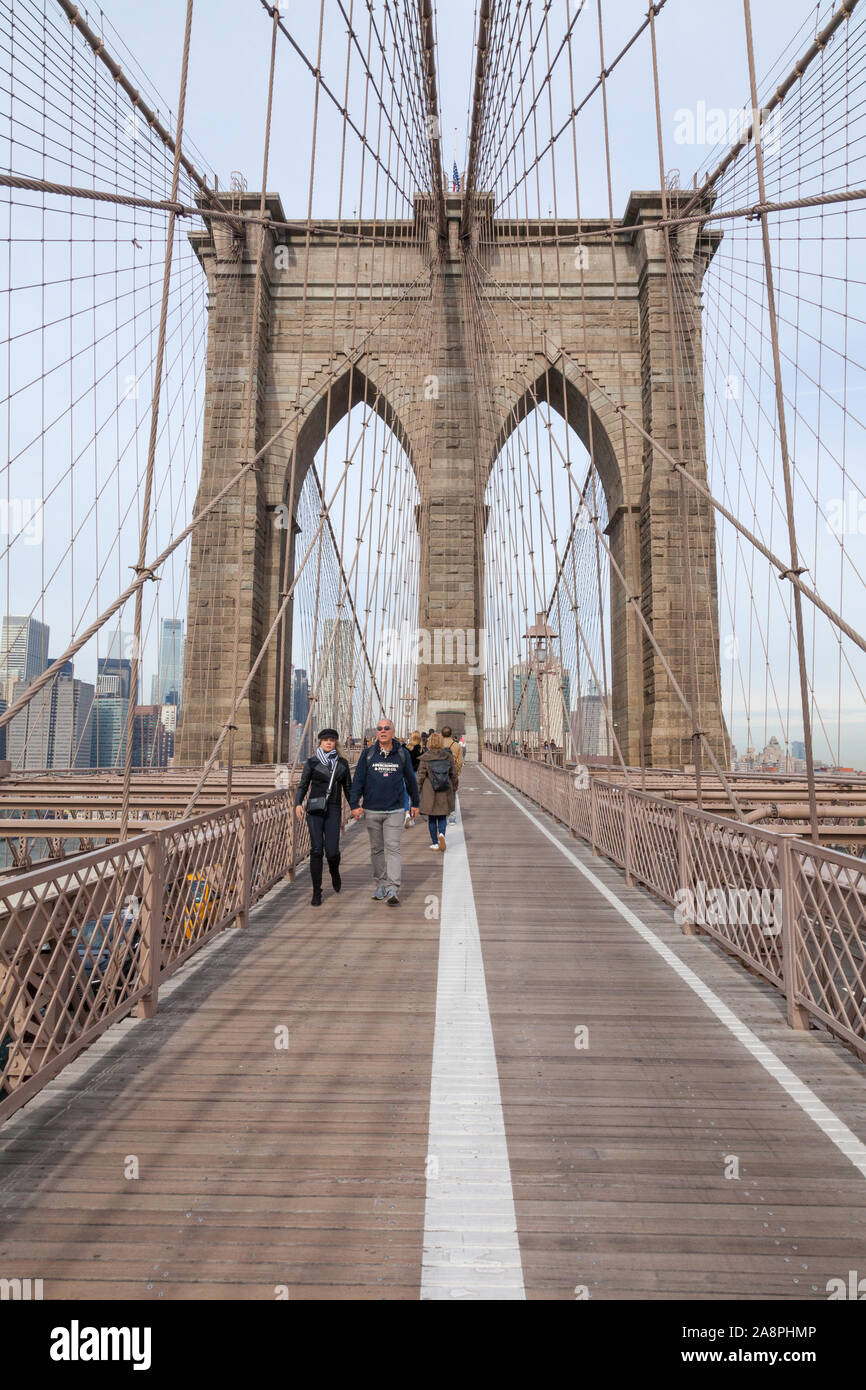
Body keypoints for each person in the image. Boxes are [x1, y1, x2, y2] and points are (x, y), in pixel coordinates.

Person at [350, 716, 419, 906]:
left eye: (386, 727)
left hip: (395, 809)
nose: (382, 730)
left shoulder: (402, 753)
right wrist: (354, 804)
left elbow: (411, 780)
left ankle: (393, 888)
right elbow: (358, 780)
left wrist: (415, 803)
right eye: (379, 728)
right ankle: (380, 884)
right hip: (372, 809)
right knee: (377, 849)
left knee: (393, 848)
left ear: (393, 732)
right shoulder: (368, 754)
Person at [294, 729, 353, 908]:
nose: (328, 742)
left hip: (333, 809)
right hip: (314, 810)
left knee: (332, 851)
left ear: (336, 743)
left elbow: (348, 788)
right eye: (325, 740)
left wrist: (355, 807)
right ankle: (316, 891)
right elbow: (303, 784)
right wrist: (298, 803)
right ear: (319, 742)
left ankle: (334, 872)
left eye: (332, 740)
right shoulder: (311, 763)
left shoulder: (342, 764)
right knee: (317, 850)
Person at [417, 732, 458, 852]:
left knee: (432, 818)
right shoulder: (447, 756)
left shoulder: (426, 757)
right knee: (442, 816)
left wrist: (417, 790)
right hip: (444, 788)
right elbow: (454, 774)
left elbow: (420, 775)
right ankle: (442, 835)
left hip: (429, 789)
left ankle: (435, 843)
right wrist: (454, 787)